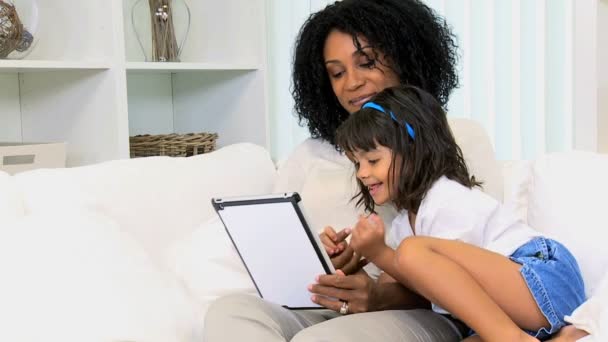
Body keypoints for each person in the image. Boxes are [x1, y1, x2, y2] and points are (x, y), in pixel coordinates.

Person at [204, 0, 478, 340]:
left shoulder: (450, 136)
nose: (352, 83)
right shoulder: (308, 155)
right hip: (325, 306)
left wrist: (379, 295)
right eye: (337, 72)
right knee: (231, 311)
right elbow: (280, 251)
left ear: (405, 58)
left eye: (366, 63)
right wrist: (318, 260)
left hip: (419, 312)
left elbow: (480, 265)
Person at [335, 85, 589, 341]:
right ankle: (562, 337)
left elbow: (431, 269)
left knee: (412, 251)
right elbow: (409, 286)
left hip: (542, 278)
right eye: (357, 163)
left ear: (414, 151)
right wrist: (354, 264)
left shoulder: (445, 198)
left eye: (373, 161)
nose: (362, 173)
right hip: (513, 310)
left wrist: (379, 253)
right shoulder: (402, 225)